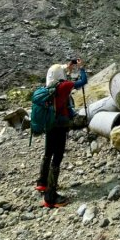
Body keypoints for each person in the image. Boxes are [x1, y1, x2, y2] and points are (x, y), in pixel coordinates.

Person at [36, 58, 87, 208]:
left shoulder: (48, 88)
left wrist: (69, 66)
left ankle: (42, 183)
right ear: (60, 75)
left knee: (48, 153)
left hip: (49, 125)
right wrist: (81, 68)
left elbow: (61, 71)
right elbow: (83, 82)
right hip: (60, 125)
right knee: (57, 158)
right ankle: (50, 197)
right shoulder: (64, 86)